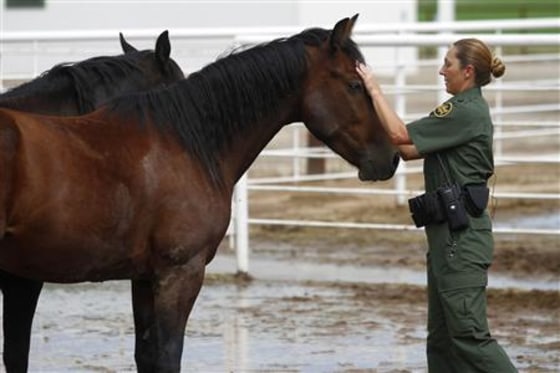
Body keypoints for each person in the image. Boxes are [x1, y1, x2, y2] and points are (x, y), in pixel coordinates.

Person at [357, 38, 518, 372]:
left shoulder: (464, 111)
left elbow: (400, 135)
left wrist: (373, 89)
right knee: (442, 340)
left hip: (462, 240)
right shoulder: (462, 111)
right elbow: (408, 150)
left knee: (470, 338)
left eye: (448, 63)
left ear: (468, 71)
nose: (441, 70)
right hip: (447, 238)